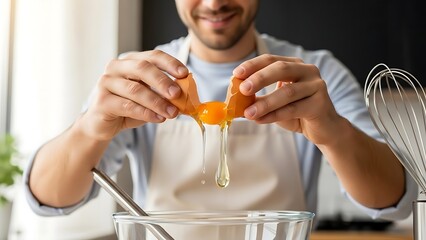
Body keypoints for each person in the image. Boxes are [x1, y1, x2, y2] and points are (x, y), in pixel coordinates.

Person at [25, 0, 416, 221]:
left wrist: (332, 130)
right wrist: (90, 128)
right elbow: (49, 199)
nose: (214, 3)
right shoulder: (137, 77)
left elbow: (394, 199)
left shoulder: (315, 74)